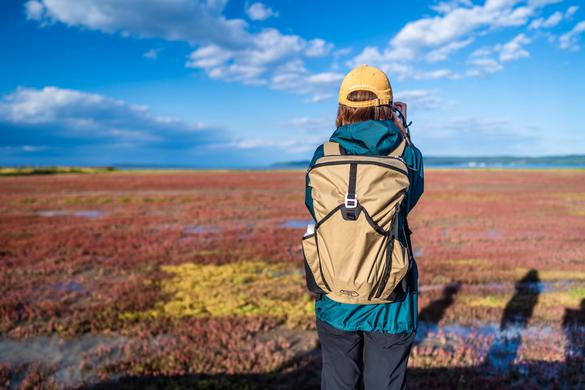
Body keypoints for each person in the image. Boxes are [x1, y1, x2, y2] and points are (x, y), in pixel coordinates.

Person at [304, 64, 424, 390]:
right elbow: (409, 199)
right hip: (391, 301)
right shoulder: (407, 155)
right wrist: (403, 131)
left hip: (335, 295)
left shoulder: (323, 155)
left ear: (342, 107)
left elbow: (313, 207)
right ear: (389, 106)